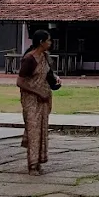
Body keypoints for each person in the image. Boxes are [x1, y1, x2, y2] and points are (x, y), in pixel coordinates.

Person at [16, 29, 59, 174]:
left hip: (44, 99)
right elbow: (20, 82)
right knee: (33, 130)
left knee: (42, 130)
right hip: (31, 99)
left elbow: (47, 74)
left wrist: (55, 80)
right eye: (48, 40)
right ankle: (32, 165)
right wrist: (38, 91)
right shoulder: (29, 58)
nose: (50, 43)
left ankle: (39, 160)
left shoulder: (45, 57)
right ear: (41, 42)